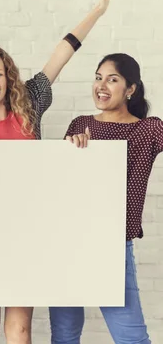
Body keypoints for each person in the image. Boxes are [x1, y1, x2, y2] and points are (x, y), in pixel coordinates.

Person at [0, 0, 111, 344]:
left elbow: (60, 55)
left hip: (25, 235)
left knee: (19, 330)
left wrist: (96, 12)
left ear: (8, 78)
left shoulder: (28, 107)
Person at [49, 53, 159, 344]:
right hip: (69, 243)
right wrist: (71, 150)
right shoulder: (80, 124)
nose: (102, 85)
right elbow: (57, 185)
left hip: (112, 244)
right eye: (98, 78)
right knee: (64, 335)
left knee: (131, 338)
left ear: (131, 89)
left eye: (112, 79)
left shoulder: (148, 130)